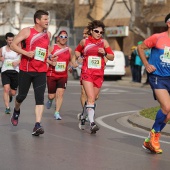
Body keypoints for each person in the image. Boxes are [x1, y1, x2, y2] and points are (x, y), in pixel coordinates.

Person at [10, 10, 51, 136]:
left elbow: (46, 51)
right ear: (37, 20)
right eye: (45, 19)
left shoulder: (48, 34)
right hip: (26, 70)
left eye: (48, 19)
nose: (47, 21)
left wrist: (51, 58)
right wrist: (25, 53)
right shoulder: (27, 31)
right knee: (21, 96)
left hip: (41, 71)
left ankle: (37, 125)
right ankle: (16, 111)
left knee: (40, 99)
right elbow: (13, 45)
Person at [138, 13, 170, 154]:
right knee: (166, 106)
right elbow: (140, 47)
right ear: (169, 23)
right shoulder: (158, 37)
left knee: (168, 114)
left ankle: (149, 140)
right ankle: (154, 138)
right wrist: (146, 64)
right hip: (157, 76)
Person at [75, 20, 114, 133]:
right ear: (91, 31)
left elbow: (112, 56)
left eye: (101, 32)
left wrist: (105, 53)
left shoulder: (104, 42)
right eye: (96, 31)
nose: (99, 34)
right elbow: (77, 51)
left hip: (99, 74)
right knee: (91, 97)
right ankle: (92, 123)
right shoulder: (84, 42)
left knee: (94, 98)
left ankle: (83, 115)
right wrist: (79, 58)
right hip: (87, 73)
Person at [46, 30, 76, 120]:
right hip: (52, 74)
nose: (63, 39)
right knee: (51, 95)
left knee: (60, 93)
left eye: (65, 37)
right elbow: (44, 58)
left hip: (63, 76)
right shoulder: (52, 48)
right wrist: (51, 62)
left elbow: (71, 61)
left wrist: (71, 67)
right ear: (58, 38)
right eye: (61, 37)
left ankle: (57, 112)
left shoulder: (69, 50)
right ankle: (50, 100)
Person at [0, 32, 20, 114]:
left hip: (15, 71)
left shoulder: (18, 48)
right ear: (6, 40)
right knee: (6, 89)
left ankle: (10, 96)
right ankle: (7, 107)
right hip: (5, 71)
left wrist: (18, 62)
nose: (11, 41)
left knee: (13, 92)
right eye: (9, 40)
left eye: (12, 40)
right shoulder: (2, 49)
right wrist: (1, 58)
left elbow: (23, 57)